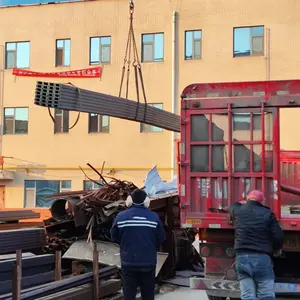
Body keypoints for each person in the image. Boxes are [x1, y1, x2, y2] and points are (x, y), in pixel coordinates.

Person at [110, 189, 165, 300]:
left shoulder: (120, 217)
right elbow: (162, 238)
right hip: (148, 263)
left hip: (128, 263)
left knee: (129, 295)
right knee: (148, 295)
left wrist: (126, 244)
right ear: (146, 202)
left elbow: (114, 237)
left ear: (129, 201)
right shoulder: (154, 217)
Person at [232, 190, 284, 300]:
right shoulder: (267, 214)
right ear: (262, 201)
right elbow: (278, 235)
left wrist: (241, 203)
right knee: (266, 295)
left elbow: (232, 206)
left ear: (247, 199)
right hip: (261, 258)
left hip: (241, 258)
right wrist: (277, 249)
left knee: (247, 295)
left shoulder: (239, 210)